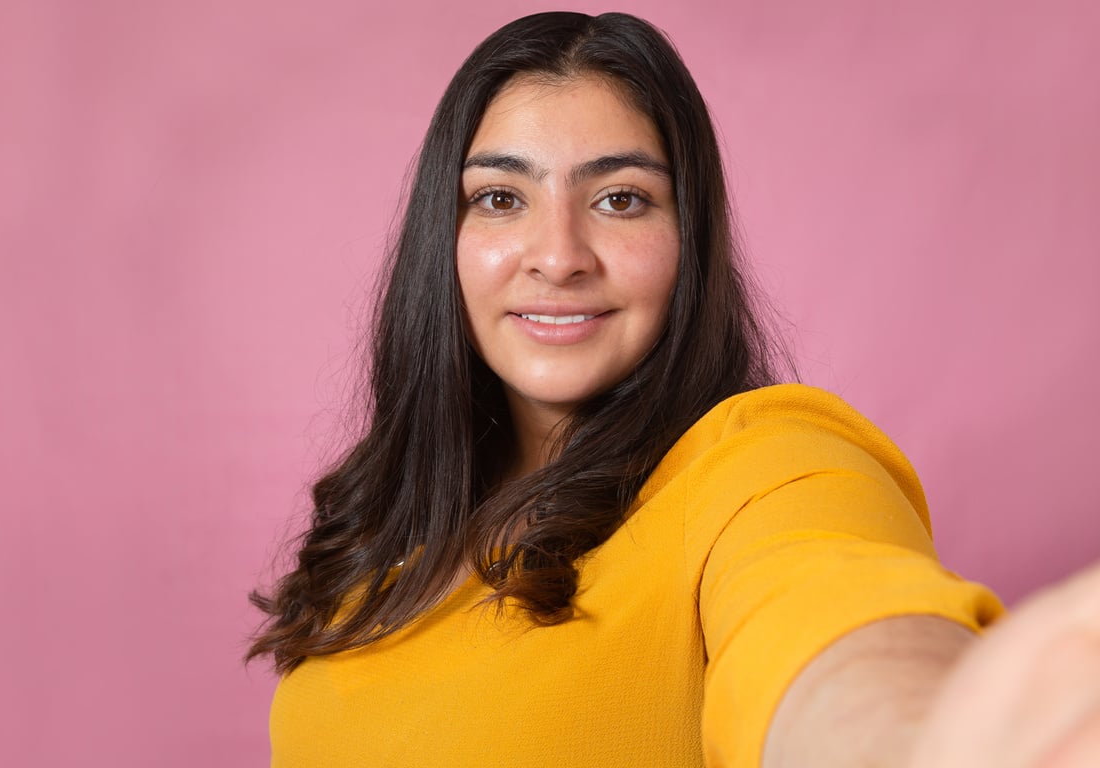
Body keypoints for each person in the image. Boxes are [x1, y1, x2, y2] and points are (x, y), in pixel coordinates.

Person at [247, 11, 1100, 767]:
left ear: (690, 236)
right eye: (501, 197)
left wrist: (934, 736)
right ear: (447, 239)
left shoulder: (763, 465)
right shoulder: (377, 539)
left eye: (620, 200)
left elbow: (835, 633)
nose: (558, 254)